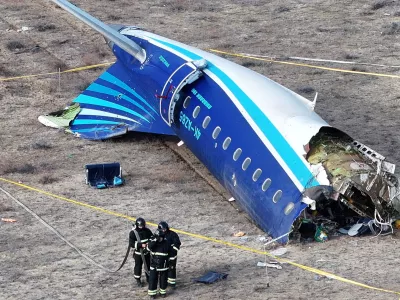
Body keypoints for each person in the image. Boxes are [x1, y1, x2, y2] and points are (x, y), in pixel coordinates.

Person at [147, 229, 173, 298]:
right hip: (154, 265)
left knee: (163, 280)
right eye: (159, 237)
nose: (160, 239)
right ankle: (152, 294)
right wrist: (154, 241)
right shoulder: (152, 242)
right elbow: (148, 248)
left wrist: (170, 264)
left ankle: (162, 292)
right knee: (152, 279)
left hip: (164, 266)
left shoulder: (167, 243)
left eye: (161, 237)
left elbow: (171, 254)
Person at [129, 217, 153, 287]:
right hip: (138, 254)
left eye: (142, 226)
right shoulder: (133, 233)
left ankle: (149, 278)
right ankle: (138, 280)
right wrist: (141, 245)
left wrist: (149, 244)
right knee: (138, 267)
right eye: (140, 226)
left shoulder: (147, 231)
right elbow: (131, 243)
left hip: (147, 252)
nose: (141, 227)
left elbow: (151, 238)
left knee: (148, 266)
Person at [158, 221, 181, 289]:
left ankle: (172, 283)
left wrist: (173, 251)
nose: (164, 230)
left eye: (165, 229)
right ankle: (164, 282)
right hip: (163, 256)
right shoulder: (158, 235)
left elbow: (177, 243)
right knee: (163, 269)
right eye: (162, 229)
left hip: (171, 256)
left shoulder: (173, 234)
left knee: (171, 268)